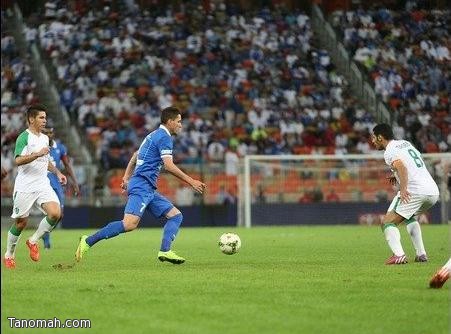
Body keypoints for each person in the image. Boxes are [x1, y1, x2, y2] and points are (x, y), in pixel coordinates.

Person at [75, 106, 206, 264]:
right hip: (142, 185)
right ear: (170, 122)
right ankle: (88, 241)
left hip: (147, 187)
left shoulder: (152, 135)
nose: (181, 125)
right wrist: (192, 181)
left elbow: (135, 156)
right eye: (178, 121)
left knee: (176, 216)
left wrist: (125, 177)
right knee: (129, 224)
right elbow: (169, 166)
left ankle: (165, 251)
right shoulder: (164, 137)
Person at [3, 104, 67, 269]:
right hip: (25, 186)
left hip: (42, 184)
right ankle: (9, 254)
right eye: (41, 117)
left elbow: (45, 162)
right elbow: (18, 160)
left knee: (55, 213)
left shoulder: (45, 138)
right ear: (31, 119)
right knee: (21, 223)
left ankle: (33, 241)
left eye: (45, 117)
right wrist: (37, 154)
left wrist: (58, 173)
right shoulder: (24, 137)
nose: (44, 121)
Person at [371, 123, 439, 265]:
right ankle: (421, 254)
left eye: (373, 137)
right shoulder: (405, 143)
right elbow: (413, 162)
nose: (372, 141)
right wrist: (396, 175)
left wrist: (403, 189)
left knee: (387, 222)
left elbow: (402, 167)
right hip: (432, 191)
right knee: (410, 217)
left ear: (380, 137)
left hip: (415, 191)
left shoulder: (389, 151)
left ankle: (399, 255)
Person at [41, 125, 80, 249]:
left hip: (56, 184)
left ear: (53, 133)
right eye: (45, 132)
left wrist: (74, 182)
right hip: (43, 184)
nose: (48, 134)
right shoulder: (38, 147)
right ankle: (45, 237)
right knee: (50, 212)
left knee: (60, 215)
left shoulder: (60, 148)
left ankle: (45, 234)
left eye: (50, 132)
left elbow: (67, 165)